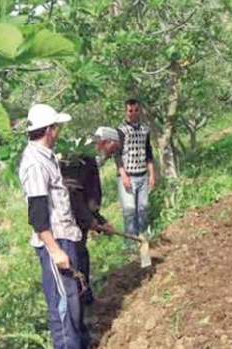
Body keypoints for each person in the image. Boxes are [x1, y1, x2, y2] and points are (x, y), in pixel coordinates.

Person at [18, 103, 90, 348]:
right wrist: (55, 250)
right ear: (49, 130)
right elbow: (37, 214)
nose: (58, 132)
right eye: (57, 127)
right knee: (63, 305)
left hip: (64, 236)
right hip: (55, 242)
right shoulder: (36, 163)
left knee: (73, 299)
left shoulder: (46, 158)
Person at [58, 127, 120, 305]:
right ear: (104, 143)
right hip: (69, 222)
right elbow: (71, 193)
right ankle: (81, 307)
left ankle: (86, 301)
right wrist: (89, 220)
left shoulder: (87, 158)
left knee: (82, 259)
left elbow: (87, 197)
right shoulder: (81, 158)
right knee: (77, 261)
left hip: (79, 219)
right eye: (112, 149)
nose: (111, 155)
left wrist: (100, 220)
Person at [114, 99, 156, 245]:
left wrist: (152, 174)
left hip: (142, 175)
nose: (133, 113)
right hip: (127, 176)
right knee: (129, 210)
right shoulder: (120, 130)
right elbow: (117, 154)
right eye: (130, 111)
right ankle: (131, 244)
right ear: (126, 112)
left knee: (143, 208)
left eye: (136, 110)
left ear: (140, 111)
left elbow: (148, 153)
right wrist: (123, 175)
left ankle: (143, 238)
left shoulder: (145, 130)